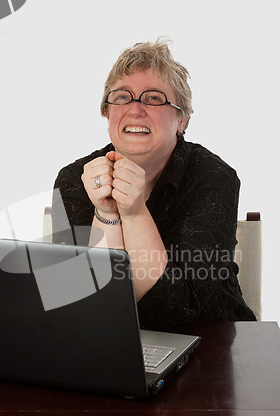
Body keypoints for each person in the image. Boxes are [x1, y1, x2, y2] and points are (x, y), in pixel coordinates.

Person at [52, 38, 256, 330]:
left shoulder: (214, 176)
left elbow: (180, 308)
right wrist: (107, 214)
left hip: (213, 343)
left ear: (182, 120)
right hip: (112, 344)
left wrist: (134, 212)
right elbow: (83, 302)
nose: (135, 110)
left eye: (154, 98)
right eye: (122, 97)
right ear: (107, 112)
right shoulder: (74, 179)